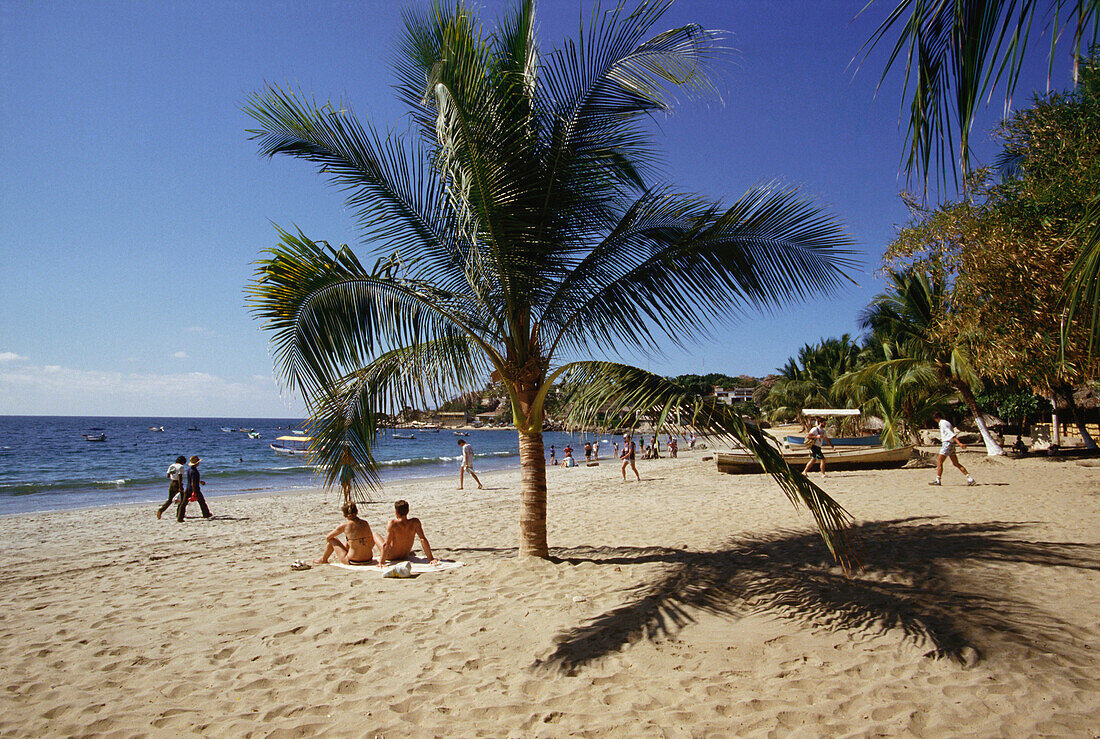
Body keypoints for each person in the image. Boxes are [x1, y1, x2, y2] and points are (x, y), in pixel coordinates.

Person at [377, 500, 438, 565]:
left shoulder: (393, 523)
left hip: (391, 556)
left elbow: (386, 544)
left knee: (375, 535)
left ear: (396, 511)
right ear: (408, 511)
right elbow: (423, 539)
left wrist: (381, 562)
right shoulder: (415, 522)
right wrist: (431, 558)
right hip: (405, 555)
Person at [931, 412, 976, 486]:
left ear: (937, 418)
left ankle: (938, 480)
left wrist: (959, 443)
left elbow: (951, 434)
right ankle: (970, 478)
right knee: (955, 463)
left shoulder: (942, 423)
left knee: (939, 462)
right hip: (951, 444)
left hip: (947, 444)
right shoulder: (947, 422)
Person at [176, 455, 212, 521]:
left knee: (184, 503)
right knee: (202, 502)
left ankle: (180, 517)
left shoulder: (189, 470)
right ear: (197, 463)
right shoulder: (195, 471)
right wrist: (194, 491)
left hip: (188, 488)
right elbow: (193, 482)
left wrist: (200, 482)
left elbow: (192, 479)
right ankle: (206, 514)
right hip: (194, 488)